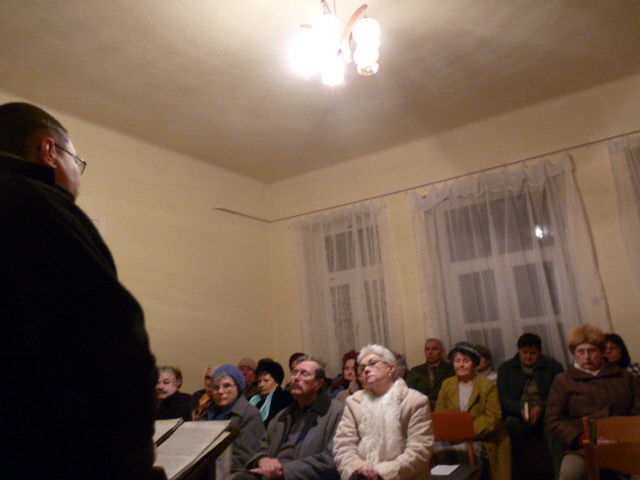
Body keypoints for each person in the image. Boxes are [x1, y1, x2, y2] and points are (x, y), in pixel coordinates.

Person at [0, 102, 157, 479]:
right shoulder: (34, 202)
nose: (78, 176)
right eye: (77, 161)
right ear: (48, 150)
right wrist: (132, 453)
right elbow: (109, 344)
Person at [545, 324, 640, 480]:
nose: (586, 357)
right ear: (574, 353)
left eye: (592, 351)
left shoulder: (625, 377)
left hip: (624, 444)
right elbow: (554, 419)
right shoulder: (563, 381)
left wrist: (625, 435)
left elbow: (638, 410)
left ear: (602, 352)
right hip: (582, 448)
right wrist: (582, 438)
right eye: (580, 351)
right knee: (570, 474)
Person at [231, 356, 344, 480]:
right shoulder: (282, 416)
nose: (296, 378)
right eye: (294, 373)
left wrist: (283, 471)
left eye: (304, 374)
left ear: (319, 383)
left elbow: (333, 458)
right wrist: (263, 459)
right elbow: (262, 447)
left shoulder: (335, 412)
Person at [333, 344, 434, 480]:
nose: (366, 369)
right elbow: (343, 446)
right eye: (362, 368)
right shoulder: (354, 403)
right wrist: (359, 470)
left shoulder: (415, 401)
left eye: (373, 363)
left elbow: (419, 451)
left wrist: (380, 473)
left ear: (391, 368)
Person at [436, 342, 511, 480]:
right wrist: (454, 433)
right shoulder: (447, 385)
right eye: (457, 361)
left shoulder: (487, 385)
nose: (461, 365)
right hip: (452, 437)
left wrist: (465, 432)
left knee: (469, 455)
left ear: (474, 364)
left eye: (466, 361)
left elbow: (493, 417)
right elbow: (441, 415)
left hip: (482, 437)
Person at [497, 333, 565, 480]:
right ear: (519, 351)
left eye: (533, 353)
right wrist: (521, 409)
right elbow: (503, 398)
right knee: (509, 425)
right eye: (525, 353)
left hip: (547, 414)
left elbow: (559, 395)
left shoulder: (553, 367)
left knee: (555, 429)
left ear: (540, 351)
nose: (528, 357)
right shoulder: (506, 368)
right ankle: (516, 476)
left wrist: (541, 407)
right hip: (518, 415)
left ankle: (560, 476)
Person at [208, 364, 266, 472]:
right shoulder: (211, 412)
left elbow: (243, 460)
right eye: (216, 387)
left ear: (238, 388)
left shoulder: (249, 414)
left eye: (227, 386)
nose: (220, 391)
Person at [410, 338, 455, 407]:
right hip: (422, 408)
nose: (430, 352)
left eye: (434, 349)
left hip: (445, 408)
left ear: (442, 351)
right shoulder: (416, 371)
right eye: (427, 349)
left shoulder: (451, 369)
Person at [250, 360, 295, 426]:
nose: (261, 385)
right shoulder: (255, 400)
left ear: (277, 383)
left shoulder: (284, 399)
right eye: (259, 381)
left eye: (266, 380)